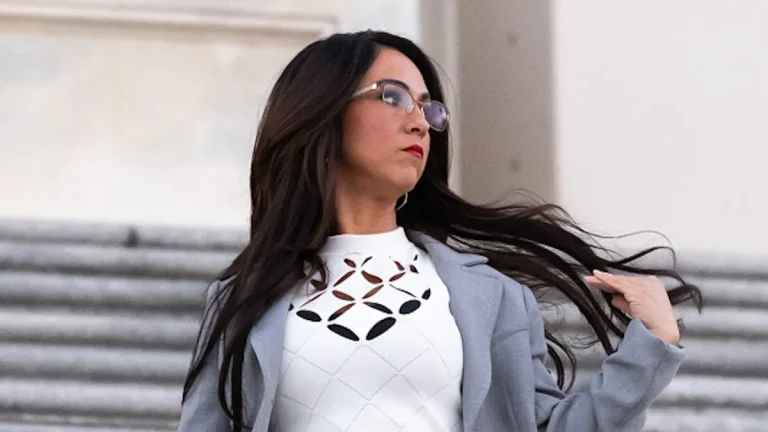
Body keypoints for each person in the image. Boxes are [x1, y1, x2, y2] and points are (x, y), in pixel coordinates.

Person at [177, 30, 701, 432]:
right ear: (323, 110)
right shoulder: (242, 302)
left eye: (428, 106)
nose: (420, 122)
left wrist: (651, 347)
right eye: (392, 97)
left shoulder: (491, 298)